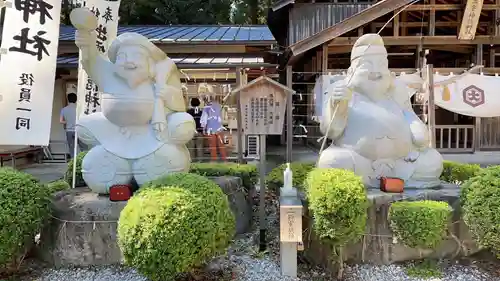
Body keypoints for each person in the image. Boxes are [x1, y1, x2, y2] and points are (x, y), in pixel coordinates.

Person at [317, 33, 443, 188]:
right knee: (331, 160)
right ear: (351, 72)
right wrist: (338, 104)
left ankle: (406, 180)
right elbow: (332, 132)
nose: (376, 71)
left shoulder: (398, 91)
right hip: (359, 161)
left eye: (382, 65)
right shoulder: (340, 89)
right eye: (367, 65)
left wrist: (417, 129)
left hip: (402, 162)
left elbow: (408, 114)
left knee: (432, 160)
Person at [60, 93, 86, 159]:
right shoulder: (79, 109)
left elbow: (61, 121)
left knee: (71, 149)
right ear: (76, 100)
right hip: (78, 130)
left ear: (68, 100)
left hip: (69, 131)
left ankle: (73, 162)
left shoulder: (64, 109)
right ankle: (83, 160)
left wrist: (68, 121)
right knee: (83, 147)